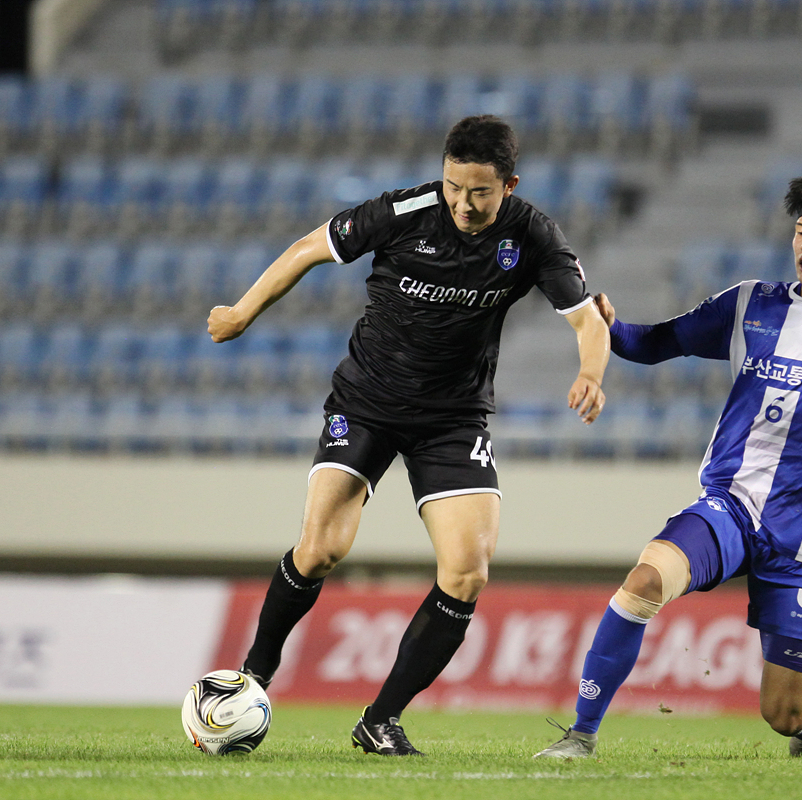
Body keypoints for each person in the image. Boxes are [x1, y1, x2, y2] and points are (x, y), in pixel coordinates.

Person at [207, 115, 610, 756]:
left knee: (467, 573)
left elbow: (588, 319)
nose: (463, 203)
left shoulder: (532, 234)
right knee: (321, 549)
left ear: (509, 185)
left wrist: (590, 373)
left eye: (480, 192)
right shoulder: (403, 212)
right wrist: (241, 312)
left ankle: (381, 720)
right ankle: (252, 679)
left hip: (453, 418)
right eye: (454, 187)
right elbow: (307, 248)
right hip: (366, 402)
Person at [534, 167, 802, 760]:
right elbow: (656, 343)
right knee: (644, 582)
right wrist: (611, 327)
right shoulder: (749, 303)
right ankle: (581, 735)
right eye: (800, 231)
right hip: (730, 506)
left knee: (784, 715)